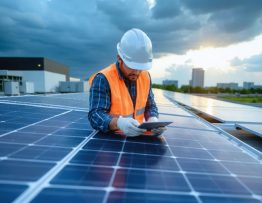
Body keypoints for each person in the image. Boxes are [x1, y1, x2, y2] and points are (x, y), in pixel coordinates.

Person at [88, 28, 164, 137]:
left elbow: (150, 106)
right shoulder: (103, 79)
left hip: (137, 139)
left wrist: (153, 119)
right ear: (119, 58)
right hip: (111, 142)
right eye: (133, 66)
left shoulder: (145, 76)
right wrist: (119, 123)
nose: (137, 72)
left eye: (140, 67)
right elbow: (95, 115)